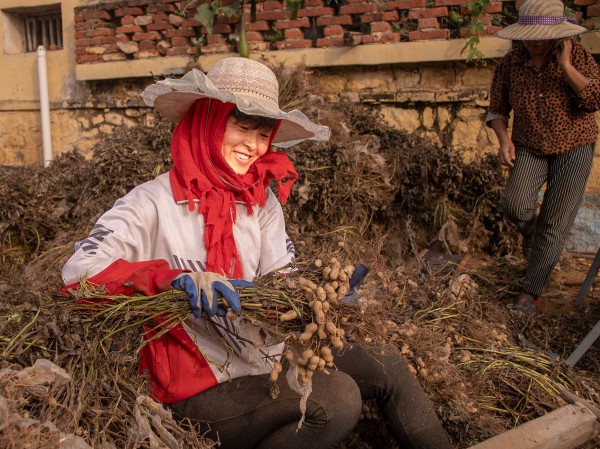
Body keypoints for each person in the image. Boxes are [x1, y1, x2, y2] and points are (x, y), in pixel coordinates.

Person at [61, 57, 452, 449]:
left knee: (387, 364)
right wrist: (172, 280)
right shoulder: (150, 202)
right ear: (208, 119)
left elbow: (283, 276)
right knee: (335, 398)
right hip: (199, 383)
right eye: (242, 126)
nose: (253, 145)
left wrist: (318, 298)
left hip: (263, 354)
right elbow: (79, 272)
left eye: (263, 133)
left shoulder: (259, 201)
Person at [486, 0, 600, 313]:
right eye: (530, 35)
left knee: (555, 223)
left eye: (542, 36)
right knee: (513, 204)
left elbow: (594, 99)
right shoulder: (511, 64)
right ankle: (533, 232)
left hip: (574, 147)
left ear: (557, 34)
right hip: (529, 146)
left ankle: (529, 293)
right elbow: (497, 108)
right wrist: (503, 139)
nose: (535, 42)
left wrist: (565, 66)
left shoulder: (576, 55)